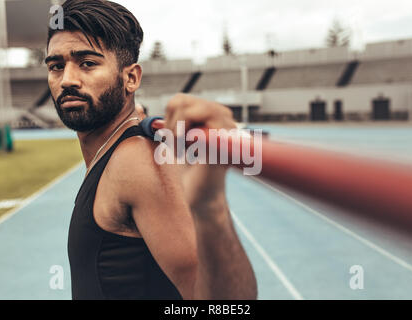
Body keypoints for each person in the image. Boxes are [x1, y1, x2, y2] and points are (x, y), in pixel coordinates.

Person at [46, 0, 257, 300]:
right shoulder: (117, 148)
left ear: (130, 78)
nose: (67, 79)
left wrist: (212, 207)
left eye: (88, 63)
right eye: (56, 66)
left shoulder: (135, 161)